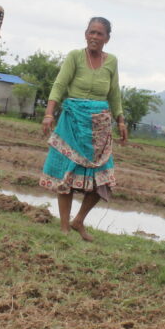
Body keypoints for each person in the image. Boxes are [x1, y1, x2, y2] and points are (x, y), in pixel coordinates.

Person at [39, 17, 127, 240]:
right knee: (67, 175)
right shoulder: (75, 56)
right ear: (85, 34)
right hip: (72, 122)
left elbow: (114, 93)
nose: (94, 37)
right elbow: (59, 85)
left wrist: (121, 120)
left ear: (107, 38)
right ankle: (64, 227)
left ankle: (78, 220)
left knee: (104, 179)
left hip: (99, 126)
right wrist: (49, 114)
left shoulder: (112, 61)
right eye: (91, 32)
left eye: (100, 34)